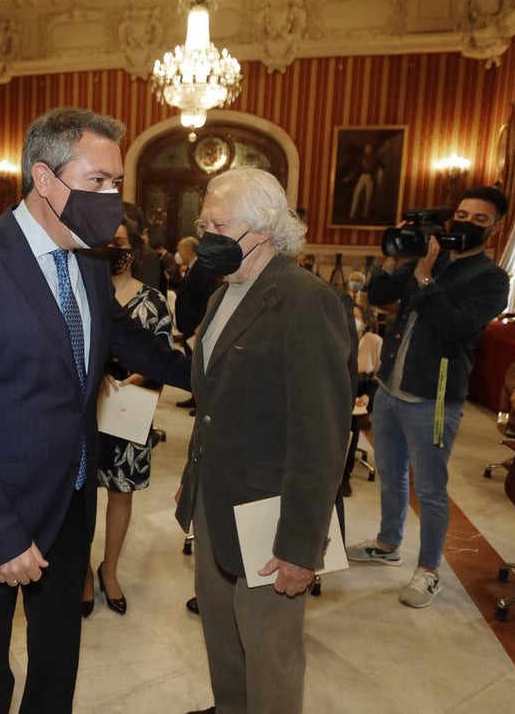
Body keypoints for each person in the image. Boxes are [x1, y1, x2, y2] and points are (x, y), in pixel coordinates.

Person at [0, 106, 190, 714]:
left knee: (58, 656)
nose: (112, 197)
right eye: (98, 181)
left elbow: (132, 344)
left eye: (117, 183)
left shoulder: (90, 261)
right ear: (44, 179)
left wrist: (222, 372)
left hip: (69, 503)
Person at [175, 168, 352, 714]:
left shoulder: (305, 300)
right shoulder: (223, 293)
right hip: (214, 496)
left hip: (268, 513)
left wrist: (300, 545)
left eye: (218, 225)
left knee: (269, 647)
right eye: (203, 224)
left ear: (264, 230)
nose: (206, 238)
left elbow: (321, 435)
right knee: (221, 629)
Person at [346, 186, 510, 608]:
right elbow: (380, 296)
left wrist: (424, 277)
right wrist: (395, 253)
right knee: (391, 473)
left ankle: (430, 569)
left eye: (479, 219)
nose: (467, 223)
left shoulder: (491, 279)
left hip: (435, 398)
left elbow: (455, 326)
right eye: (462, 214)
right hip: (390, 388)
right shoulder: (429, 256)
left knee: (431, 488)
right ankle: (387, 543)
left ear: (495, 227)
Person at [81, 216, 174, 618]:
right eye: (105, 242)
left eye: (119, 242)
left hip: (130, 410)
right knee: (79, 495)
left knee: (121, 493)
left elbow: (164, 356)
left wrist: (136, 376)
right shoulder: (84, 292)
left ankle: (110, 570)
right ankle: (82, 573)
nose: (112, 250)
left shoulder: (152, 300)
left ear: (134, 250)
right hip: (86, 410)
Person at [341, 304, 383, 498]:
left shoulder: (374, 341)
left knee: (352, 425)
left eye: (356, 317)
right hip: (340, 389)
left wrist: (366, 397)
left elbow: (379, 376)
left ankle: (344, 477)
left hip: (364, 391)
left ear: (364, 323)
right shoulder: (338, 337)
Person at [173, 234, 219, 409]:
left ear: (187, 250)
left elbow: (207, 297)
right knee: (192, 363)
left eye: (179, 250)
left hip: (196, 325)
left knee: (198, 364)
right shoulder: (193, 267)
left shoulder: (202, 268)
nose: (179, 254)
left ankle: (201, 402)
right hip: (188, 324)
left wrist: (202, 323)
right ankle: (194, 397)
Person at [346, 143, 384, 219]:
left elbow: (381, 168)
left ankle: (365, 215)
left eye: (368, 148)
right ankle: (352, 214)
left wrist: (375, 176)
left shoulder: (375, 158)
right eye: (366, 148)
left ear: (371, 149)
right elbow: (358, 169)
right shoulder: (362, 158)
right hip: (362, 177)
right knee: (356, 193)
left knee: (368, 197)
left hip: (370, 178)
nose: (367, 150)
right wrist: (350, 177)